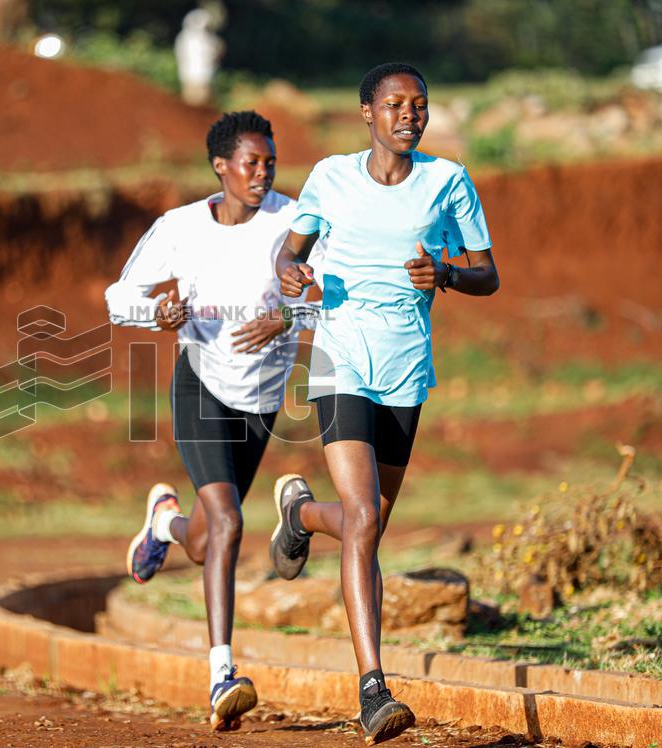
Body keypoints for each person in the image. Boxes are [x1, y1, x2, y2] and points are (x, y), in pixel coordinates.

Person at [269, 62, 499, 744]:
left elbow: (488, 273)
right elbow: (289, 253)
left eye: (419, 104)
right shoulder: (331, 178)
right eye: (395, 104)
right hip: (340, 357)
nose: (409, 115)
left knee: (368, 525)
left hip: (406, 368)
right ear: (367, 112)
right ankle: (374, 689)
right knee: (365, 517)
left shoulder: (447, 182)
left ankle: (300, 514)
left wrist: (447, 273)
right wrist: (291, 273)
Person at [105, 111, 313, 731]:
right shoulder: (180, 228)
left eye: (269, 162)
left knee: (203, 541)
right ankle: (223, 673)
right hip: (200, 384)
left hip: (262, 400)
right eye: (251, 162)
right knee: (228, 520)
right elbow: (119, 298)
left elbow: (333, 294)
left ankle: (163, 524)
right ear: (221, 166)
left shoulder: (294, 221)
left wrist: (288, 318)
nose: (262, 173)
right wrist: (158, 313)